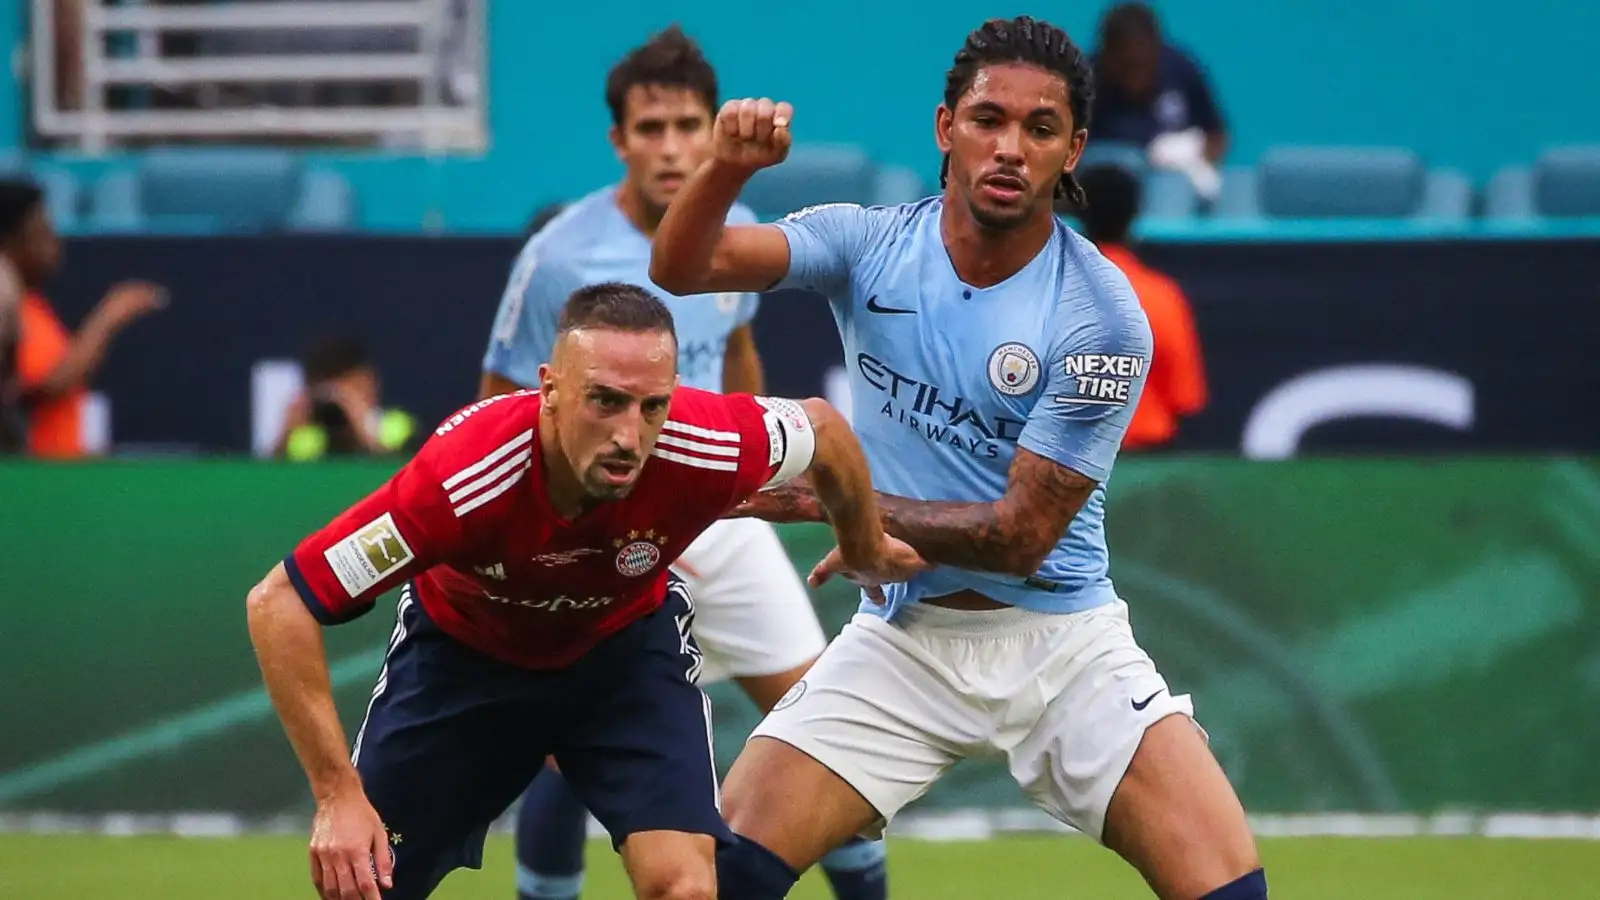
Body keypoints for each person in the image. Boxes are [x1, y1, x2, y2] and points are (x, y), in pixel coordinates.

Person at [651, 15, 1265, 900]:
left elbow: (1021, 539)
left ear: (1073, 151)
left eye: (1040, 128)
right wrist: (729, 167)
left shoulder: (1102, 312)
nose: (1009, 147)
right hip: (905, 640)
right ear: (947, 129)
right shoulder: (866, 244)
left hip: (1065, 648)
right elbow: (684, 265)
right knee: (707, 881)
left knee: (1231, 893)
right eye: (988, 120)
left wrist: (842, 501)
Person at [246, 282, 923, 900]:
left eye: (651, 406)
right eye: (605, 401)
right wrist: (337, 793)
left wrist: (862, 546)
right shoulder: (460, 482)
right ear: (550, 389)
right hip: (462, 667)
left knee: (685, 889)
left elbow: (825, 430)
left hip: (623, 659)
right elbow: (279, 602)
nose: (630, 436)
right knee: (361, 887)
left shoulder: (704, 440)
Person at [480, 27, 887, 900]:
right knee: (567, 744)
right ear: (618, 139)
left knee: (825, 729)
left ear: (713, 134)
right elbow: (498, 409)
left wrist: (759, 485)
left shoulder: (729, 234)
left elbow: (739, 359)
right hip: (595, 531)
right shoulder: (557, 257)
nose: (670, 147)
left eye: (687, 126)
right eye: (651, 127)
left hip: (715, 520)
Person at [0, 177, 165, 457]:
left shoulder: (33, 304)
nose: (55, 246)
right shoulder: (8, 301)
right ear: (10, 241)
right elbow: (46, 385)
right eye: (42, 234)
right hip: (29, 477)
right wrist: (110, 316)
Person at [1072, 164, 1208, 451]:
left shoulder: (1046, 289)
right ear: (1135, 213)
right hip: (1145, 461)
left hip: (1061, 459)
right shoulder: (1162, 295)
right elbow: (1184, 397)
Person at [275, 334, 419, 461]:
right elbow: (272, 484)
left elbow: (412, 480)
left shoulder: (399, 426)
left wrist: (366, 431)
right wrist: (285, 436)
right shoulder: (304, 440)